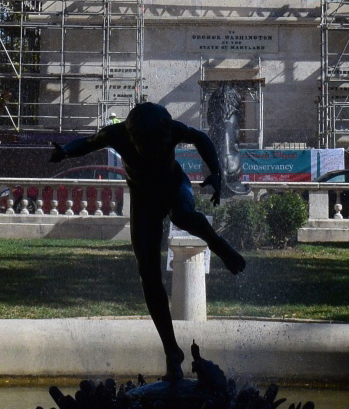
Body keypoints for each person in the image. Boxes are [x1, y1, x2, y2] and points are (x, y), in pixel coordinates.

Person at [49, 100, 248, 380]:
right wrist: (66, 151)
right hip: (143, 200)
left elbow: (201, 138)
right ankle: (171, 351)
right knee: (148, 273)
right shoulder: (117, 134)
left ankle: (219, 246)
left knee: (182, 216)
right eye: (149, 147)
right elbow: (89, 141)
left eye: (160, 145)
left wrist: (215, 172)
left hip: (173, 186)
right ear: (133, 138)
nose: (155, 151)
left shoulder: (171, 130)